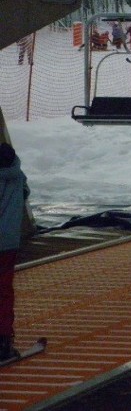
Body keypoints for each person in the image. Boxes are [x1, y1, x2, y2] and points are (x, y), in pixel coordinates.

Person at [0, 142, 30, 361]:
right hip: (8, 243)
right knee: (4, 291)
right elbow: (25, 194)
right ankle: (3, 341)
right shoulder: (19, 176)